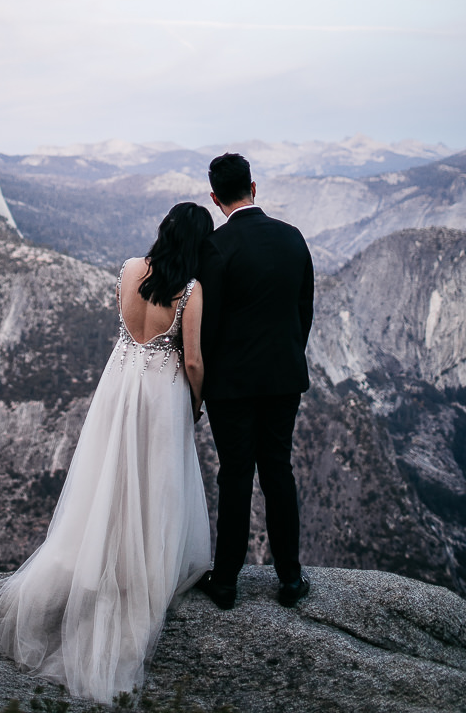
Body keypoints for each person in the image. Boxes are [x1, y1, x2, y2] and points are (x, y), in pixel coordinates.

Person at [0, 202, 213, 705]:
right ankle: (136, 575)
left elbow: (128, 327)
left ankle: (98, 563)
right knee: (154, 484)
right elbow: (194, 360)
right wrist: (196, 404)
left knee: (109, 477)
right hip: (161, 394)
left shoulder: (132, 268)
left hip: (117, 383)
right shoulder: (191, 290)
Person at [195, 152, 313, 611]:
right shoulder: (292, 237)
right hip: (283, 378)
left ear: (214, 197)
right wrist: (286, 357)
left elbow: (208, 324)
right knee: (278, 471)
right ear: (254, 187)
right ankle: (290, 578)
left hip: (230, 385)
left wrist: (204, 381)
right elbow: (304, 309)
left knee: (236, 475)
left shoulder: (216, 248)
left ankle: (226, 581)